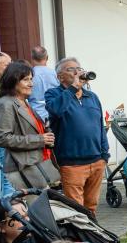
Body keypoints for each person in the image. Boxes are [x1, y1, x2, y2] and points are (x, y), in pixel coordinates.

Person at [45, 58, 109, 213]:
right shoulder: (53, 94)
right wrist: (73, 88)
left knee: (91, 207)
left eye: (79, 68)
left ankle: (92, 230)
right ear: (60, 77)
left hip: (96, 161)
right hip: (72, 164)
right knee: (76, 210)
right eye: (71, 69)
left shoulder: (92, 97)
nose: (77, 72)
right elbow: (56, 110)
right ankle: (79, 230)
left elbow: (100, 125)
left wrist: (104, 155)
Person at [0, 61, 58, 191]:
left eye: (31, 79)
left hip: (36, 164)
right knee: (37, 203)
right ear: (12, 81)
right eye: (25, 79)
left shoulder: (23, 102)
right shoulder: (5, 104)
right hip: (22, 167)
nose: (31, 83)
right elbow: (1, 138)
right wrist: (40, 139)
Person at [27, 45, 59, 124]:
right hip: (54, 112)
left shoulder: (28, 75)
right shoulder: (56, 74)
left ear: (32, 58)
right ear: (47, 58)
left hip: (35, 114)